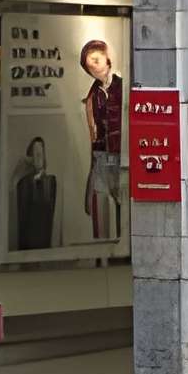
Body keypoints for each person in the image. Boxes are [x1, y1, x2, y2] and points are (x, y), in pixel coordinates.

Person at [80, 39, 123, 245]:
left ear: (107, 58)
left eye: (96, 60)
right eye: (89, 66)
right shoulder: (92, 96)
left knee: (125, 209)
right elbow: (93, 135)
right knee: (102, 217)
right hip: (101, 159)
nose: (94, 68)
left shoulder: (122, 86)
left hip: (123, 158)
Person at [13, 136, 59, 252]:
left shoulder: (51, 181)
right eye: (35, 153)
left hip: (45, 243)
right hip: (27, 244)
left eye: (41, 153)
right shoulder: (24, 183)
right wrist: (18, 176)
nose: (38, 157)